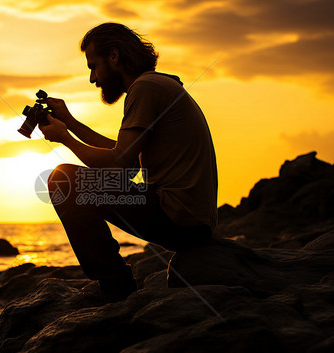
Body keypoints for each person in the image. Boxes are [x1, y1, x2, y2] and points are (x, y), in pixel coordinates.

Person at [38, 22, 218, 298]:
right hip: (191, 221)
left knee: (63, 180)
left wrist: (66, 139)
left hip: (178, 219)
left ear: (114, 56)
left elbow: (119, 163)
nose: (92, 78)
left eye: (93, 65)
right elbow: (127, 158)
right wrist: (70, 123)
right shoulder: (157, 85)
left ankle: (115, 287)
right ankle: (115, 282)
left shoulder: (145, 88)